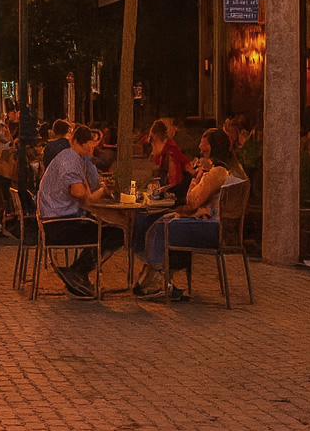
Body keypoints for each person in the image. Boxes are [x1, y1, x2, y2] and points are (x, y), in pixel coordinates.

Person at [135, 128, 240, 300]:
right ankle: (155, 279)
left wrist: (196, 179)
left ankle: (155, 282)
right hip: (217, 226)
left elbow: (192, 201)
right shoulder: (229, 169)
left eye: (204, 145)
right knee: (165, 220)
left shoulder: (216, 172)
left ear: (214, 147)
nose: (200, 147)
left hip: (211, 229)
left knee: (162, 224)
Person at [35, 125, 120, 297]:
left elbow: (84, 196)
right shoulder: (70, 161)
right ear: (80, 142)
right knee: (116, 234)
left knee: (103, 227)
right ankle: (78, 271)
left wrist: (100, 191)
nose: (92, 148)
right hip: (59, 225)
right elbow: (79, 193)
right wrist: (97, 190)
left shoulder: (71, 158)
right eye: (90, 143)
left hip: (54, 221)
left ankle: (77, 276)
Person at [148, 118, 190, 203]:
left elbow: (175, 183)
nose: (153, 148)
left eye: (155, 143)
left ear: (164, 140)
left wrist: (160, 190)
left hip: (179, 200)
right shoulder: (165, 153)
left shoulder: (172, 153)